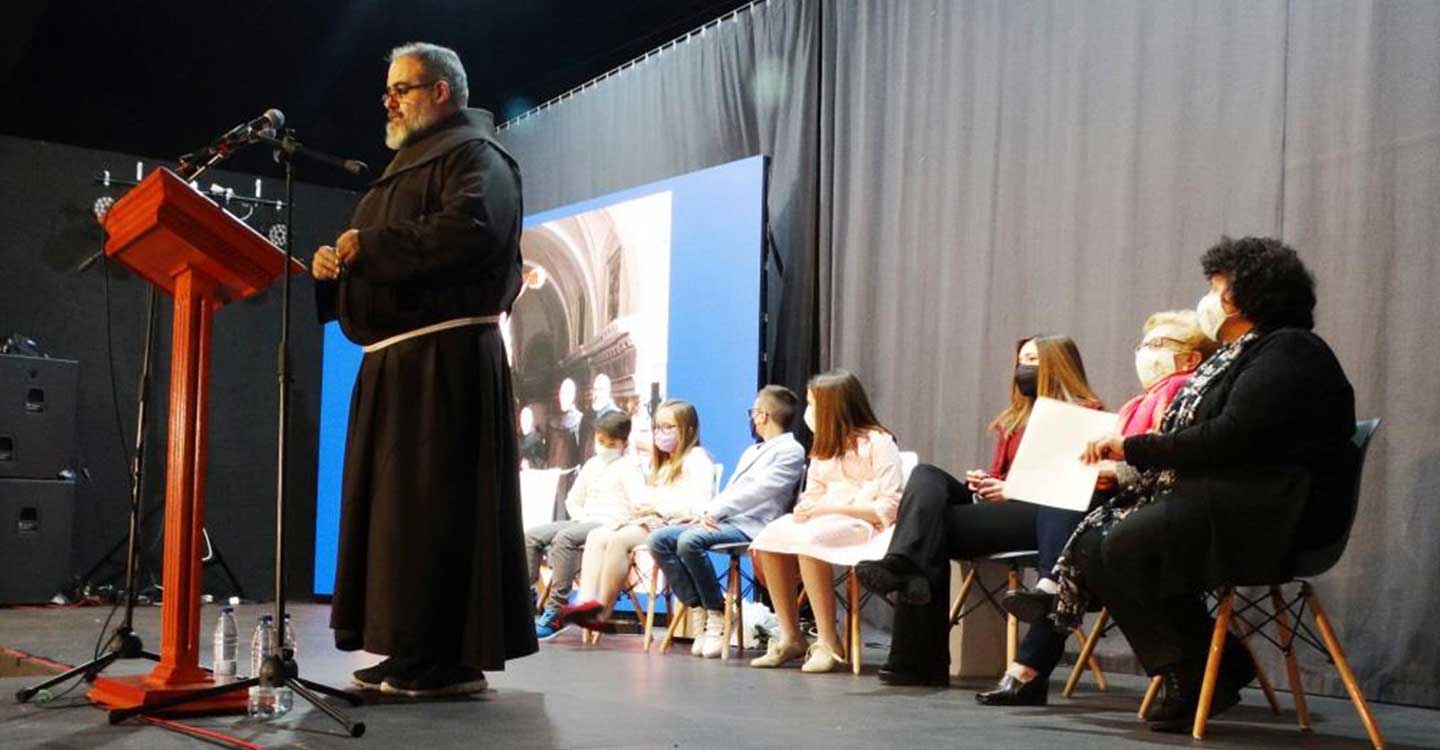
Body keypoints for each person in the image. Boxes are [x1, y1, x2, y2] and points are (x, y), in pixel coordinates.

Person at [1016, 237, 1356, 732]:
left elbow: (1230, 437)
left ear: (1247, 296)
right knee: (1094, 542)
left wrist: (1133, 448)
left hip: (1277, 512)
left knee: (1126, 540)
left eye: (1217, 287)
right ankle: (1190, 668)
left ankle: (1200, 670)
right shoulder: (1240, 353)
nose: (1210, 298)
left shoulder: (1290, 351)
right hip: (1230, 500)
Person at [311, 41, 536, 696]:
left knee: (433, 511)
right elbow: (381, 251)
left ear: (441, 92)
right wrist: (337, 266)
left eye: (402, 88)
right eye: (389, 89)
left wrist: (370, 247)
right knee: (394, 517)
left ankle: (448, 659)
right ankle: (407, 647)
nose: (389, 99)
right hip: (395, 364)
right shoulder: (407, 164)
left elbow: (474, 230)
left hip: (446, 363)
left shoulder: (476, 156)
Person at [853, 335, 1105, 692]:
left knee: (927, 531)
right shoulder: (1014, 419)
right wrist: (987, 481)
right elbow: (1003, 475)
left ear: (1056, 364)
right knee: (926, 478)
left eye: (1032, 359)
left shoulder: (1085, 414)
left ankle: (914, 659)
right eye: (1020, 360)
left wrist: (1013, 489)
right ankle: (904, 564)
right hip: (1002, 509)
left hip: (1044, 515)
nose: (1023, 368)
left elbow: (1070, 483)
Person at [748, 370, 903, 674]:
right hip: (823, 517)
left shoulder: (879, 442)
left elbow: (889, 505)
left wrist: (827, 509)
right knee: (770, 536)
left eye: (813, 404)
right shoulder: (824, 445)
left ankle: (829, 642)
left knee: (810, 541)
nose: (809, 412)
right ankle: (791, 635)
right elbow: (814, 491)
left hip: (865, 523)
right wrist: (807, 507)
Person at [647, 386, 807, 657]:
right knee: (660, 539)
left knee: (690, 540)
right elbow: (731, 492)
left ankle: (717, 612)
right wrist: (704, 513)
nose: (752, 417)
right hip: (727, 519)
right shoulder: (753, 450)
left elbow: (759, 493)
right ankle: (699, 608)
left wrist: (714, 513)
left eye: (754, 412)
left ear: (762, 415)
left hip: (755, 524)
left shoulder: (790, 450)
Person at [561, 400, 717, 631]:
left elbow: (699, 504)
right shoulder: (662, 464)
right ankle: (586, 602)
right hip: (651, 521)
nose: (660, 434)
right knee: (598, 535)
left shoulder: (697, 458)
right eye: (657, 428)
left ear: (689, 429)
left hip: (674, 524)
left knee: (618, 539)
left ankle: (602, 611)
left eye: (668, 427)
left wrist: (657, 508)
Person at [527, 411, 646, 640]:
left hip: (608, 523)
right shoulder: (592, 464)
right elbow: (573, 499)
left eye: (612, 443)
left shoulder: (628, 468)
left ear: (624, 443)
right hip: (583, 519)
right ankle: (526, 600)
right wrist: (581, 517)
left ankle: (556, 610)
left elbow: (638, 505)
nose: (605, 447)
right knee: (531, 536)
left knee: (566, 539)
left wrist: (613, 524)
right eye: (601, 442)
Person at [548, 377, 583, 520]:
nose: (563, 397)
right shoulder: (552, 420)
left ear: (574, 395)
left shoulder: (580, 420)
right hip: (552, 477)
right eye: (562, 392)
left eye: (567, 393)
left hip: (570, 479)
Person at [518, 404, 547, 470]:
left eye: (526, 419)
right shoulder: (518, 439)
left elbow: (541, 462)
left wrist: (529, 464)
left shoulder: (538, 441)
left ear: (532, 421)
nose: (523, 423)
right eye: (522, 419)